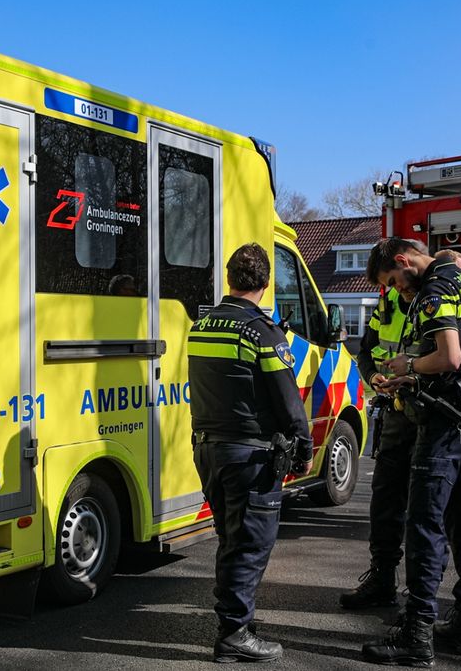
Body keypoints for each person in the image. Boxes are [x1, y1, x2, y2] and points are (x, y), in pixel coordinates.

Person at [361, 238, 461, 666]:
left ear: (403, 260)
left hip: (445, 418)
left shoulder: (434, 288)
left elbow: (449, 357)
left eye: (395, 282)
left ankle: (416, 635)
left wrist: (409, 367)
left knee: (423, 525)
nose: (398, 291)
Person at [187, 242, 314, 663]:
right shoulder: (262, 332)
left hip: (208, 451)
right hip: (249, 456)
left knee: (230, 538)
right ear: (265, 283)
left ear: (229, 278)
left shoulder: (201, 327)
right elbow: (288, 400)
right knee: (251, 544)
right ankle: (234, 634)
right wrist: (305, 447)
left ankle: (236, 621)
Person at [341, 270, 423, 609]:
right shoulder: (389, 300)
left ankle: (423, 602)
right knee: (385, 501)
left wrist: (413, 373)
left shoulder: (436, 298)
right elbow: (366, 350)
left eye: (395, 281)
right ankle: (382, 579)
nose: (394, 289)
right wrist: (372, 375)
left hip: (429, 416)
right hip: (394, 413)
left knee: (426, 510)